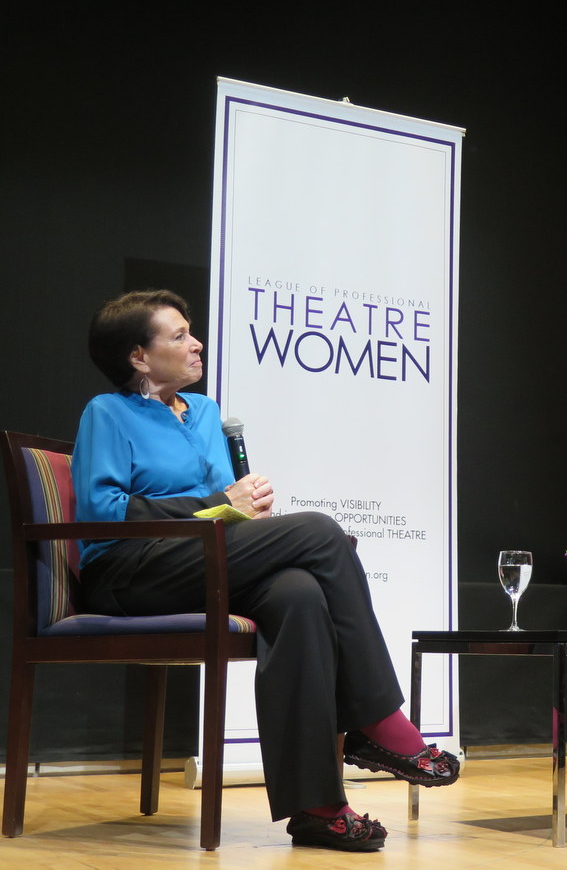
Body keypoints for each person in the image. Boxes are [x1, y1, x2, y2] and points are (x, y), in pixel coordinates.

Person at [72, 289, 459, 852]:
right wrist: (213, 499)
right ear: (138, 356)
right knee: (323, 532)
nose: (196, 343)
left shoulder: (204, 414)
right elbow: (102, 512)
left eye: (191, 331)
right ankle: (380, 723)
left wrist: (242, 508)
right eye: (178, 335)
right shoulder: (106, 413)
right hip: (130, 571)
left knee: (298, 592)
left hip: (205, 557)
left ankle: (317, 808)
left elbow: (220, 506)